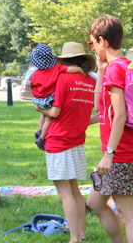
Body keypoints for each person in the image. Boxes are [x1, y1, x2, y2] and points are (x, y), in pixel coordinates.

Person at [85, 15, 133, 243]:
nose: (92, 48)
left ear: (103, 40)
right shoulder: (123, 66)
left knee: (128, 213)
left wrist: (109, 154)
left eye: (92, 43)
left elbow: (120, 114)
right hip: (125, 149)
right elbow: (102, 109)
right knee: (94, 203)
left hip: (121, 153)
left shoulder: (117, 70)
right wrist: (101, 70)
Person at [34, 41, 95, 243]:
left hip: (58, 140)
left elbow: (55, 111)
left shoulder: (62, 77)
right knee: (75, 190)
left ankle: (74, 238)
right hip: (78, 139)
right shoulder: (91, 81)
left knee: (64, 193)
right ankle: (82, 233)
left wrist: (39, 109)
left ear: (64, 60)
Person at [29, 43, 84, 150]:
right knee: (49, 118)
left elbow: (33, 85)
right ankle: (42, 137)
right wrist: (80, 70)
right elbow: (70, 69)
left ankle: (39, 129)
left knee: (42, 116)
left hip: (38, 99)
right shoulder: (57, 68)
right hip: (49, 98)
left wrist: (36, 97)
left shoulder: (35, 73)